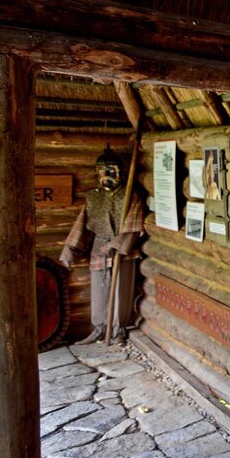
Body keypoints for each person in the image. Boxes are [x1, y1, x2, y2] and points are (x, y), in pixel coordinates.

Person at [60, 146, 145, 344]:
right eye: (102, 170)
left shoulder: (130, 195)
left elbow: (133, 225)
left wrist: (116, 244)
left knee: (120, 290)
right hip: (99, 248)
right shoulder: (93, 196)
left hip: (123, 250)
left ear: (120, 172)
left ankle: (117, 330)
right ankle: (99, 328)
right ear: (97, 173)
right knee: (99, 289)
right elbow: (82, 224)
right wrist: (69, 251)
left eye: (111, 170)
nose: (107, 174)